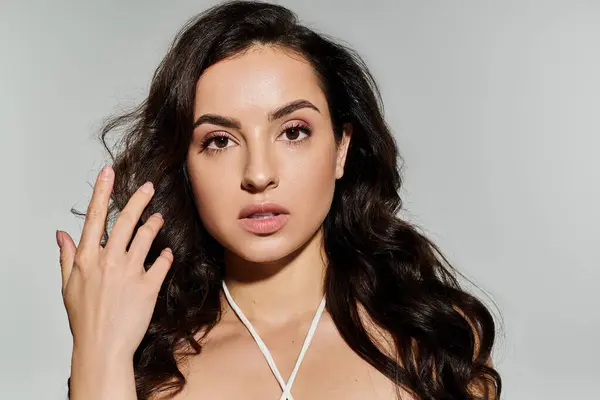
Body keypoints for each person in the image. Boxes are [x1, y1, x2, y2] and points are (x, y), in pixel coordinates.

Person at [55, 1, 502, 399]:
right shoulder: (148, 366)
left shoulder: (433, 342)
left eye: (293, 132)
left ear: (341, 148)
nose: (259, 174)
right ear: (184, 165)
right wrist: (101, 352)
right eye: (219, 140)